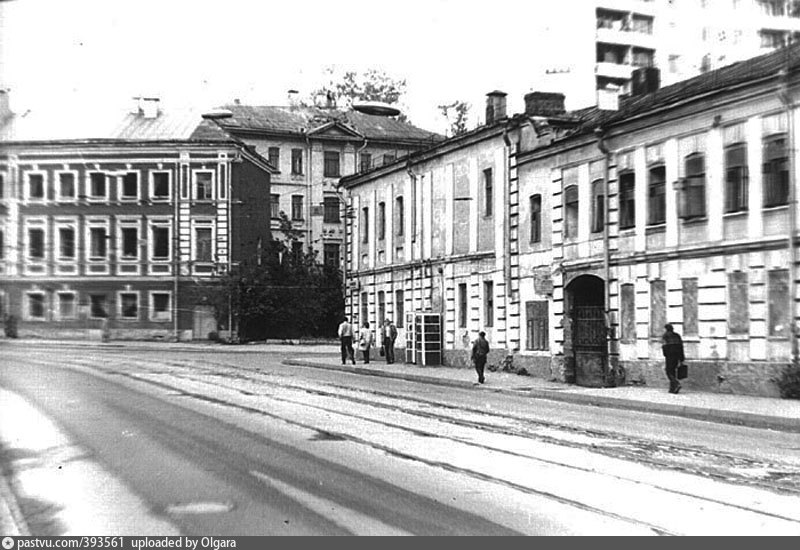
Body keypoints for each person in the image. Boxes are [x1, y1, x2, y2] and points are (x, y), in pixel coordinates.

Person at [662, 323, 685, 394]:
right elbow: (681, 347)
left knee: (668, 371)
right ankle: (672, 389)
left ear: (666, 329)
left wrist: (665, 354)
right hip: (677, 356)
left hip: (669, 356)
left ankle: (676, 383)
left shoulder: (665, 336)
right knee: (673, 371)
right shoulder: (677, 335)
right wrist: (681, 358)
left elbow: (664, 346)